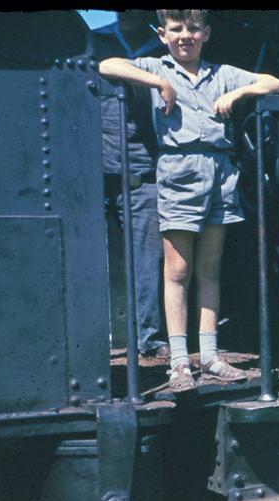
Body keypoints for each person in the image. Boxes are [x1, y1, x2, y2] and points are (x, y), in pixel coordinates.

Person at [99, 9, 279, 391]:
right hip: (178, 173)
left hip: (220, 175)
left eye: (194, 29)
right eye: (176, 29)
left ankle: (211, 356)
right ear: (162, 34)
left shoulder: (223, 74)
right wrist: (156, 83)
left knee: (209, 270)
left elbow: (274, 83)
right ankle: (180, 363)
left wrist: (240, 92)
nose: (186, 36)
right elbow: (107, 65)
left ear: (207, 33)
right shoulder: (157, 67)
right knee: (177, 272)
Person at [93, 11, 170, 361]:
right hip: (95, 175)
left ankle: (149, 339)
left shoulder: (166, 48)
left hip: (144, 174)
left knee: (148, 260)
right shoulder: (92, 43)